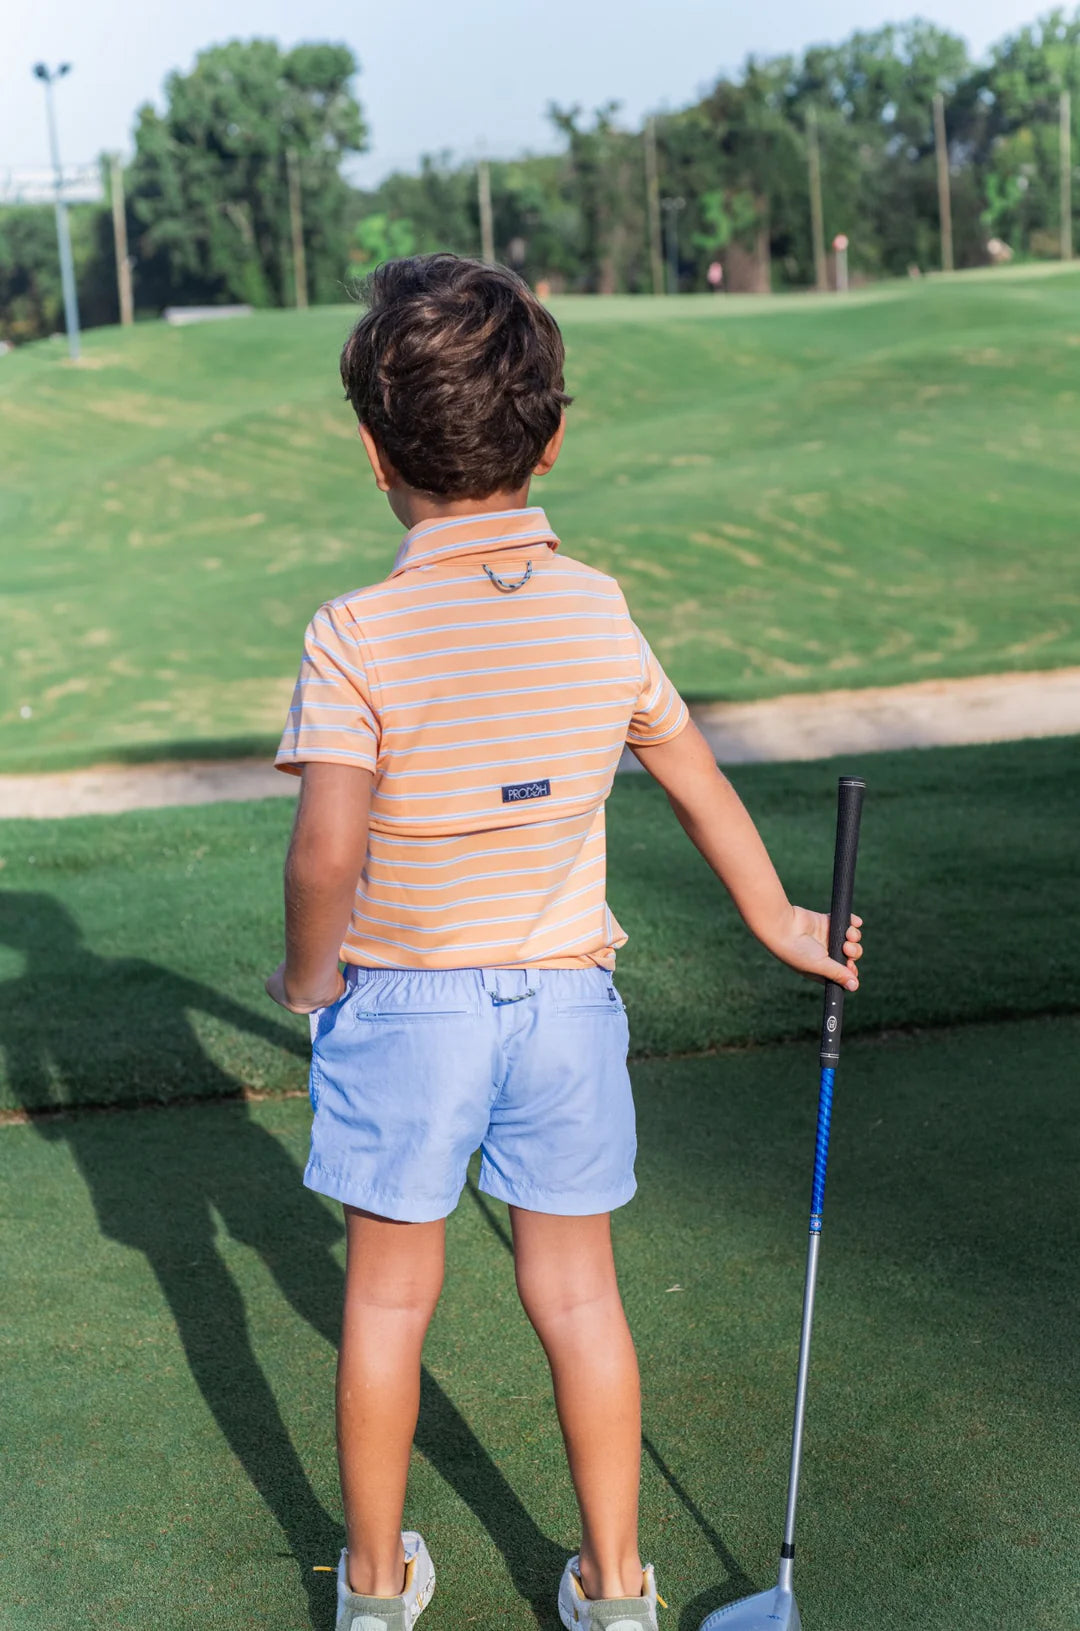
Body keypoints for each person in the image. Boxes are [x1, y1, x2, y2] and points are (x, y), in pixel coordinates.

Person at [265, 253, 864, 1631]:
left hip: (406, 1007)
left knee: (387, 1305)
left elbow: (324, 852)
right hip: (566, 1010)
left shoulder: (354, 633)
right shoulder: (599, 608)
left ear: (372, 453)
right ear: (553, 435)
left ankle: (370, 1588)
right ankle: (616, 1583)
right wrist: (776, 917)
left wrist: (309, 973)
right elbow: (695, 773)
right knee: (580, 1296)